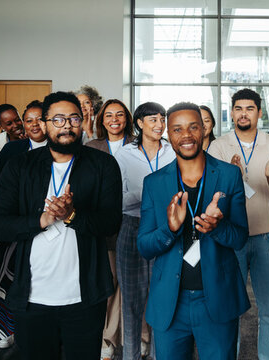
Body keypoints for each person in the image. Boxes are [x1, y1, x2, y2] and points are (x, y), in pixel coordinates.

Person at [0, 91, 122, 359]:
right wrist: (42, 220)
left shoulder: (103, 164)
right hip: (31, 297)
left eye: (74, 118)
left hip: (85, 296)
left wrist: (72, 216)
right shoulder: (20, 165)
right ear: (45, 124)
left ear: (82, 121)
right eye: (58, 120)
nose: (67, 126)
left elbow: (110, 224)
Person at [137, 102, 249, 359]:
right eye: (177, 129)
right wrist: (170, 229)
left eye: (193, 127)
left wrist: (218, 228)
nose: (185, 135)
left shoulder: (229, 175)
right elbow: (144, 246)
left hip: (217, 298)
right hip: (170, 303)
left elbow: (240, 238)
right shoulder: (154, 183)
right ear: (169, 135)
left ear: (203, 130)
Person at [207, 88, 269, 360]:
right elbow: (212, 195)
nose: (243, 113)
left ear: (259, 112)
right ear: (232, 112)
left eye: (249, 108)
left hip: (267, 237)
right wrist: (231, 175)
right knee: (231, 308)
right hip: (232, 238)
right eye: (238, 108)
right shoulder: (218, 146)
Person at [114, 101, 177, 359]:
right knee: (132, 301)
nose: (159, 125)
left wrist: (147, 195)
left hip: (167, 227)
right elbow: (118, 198)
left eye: (162, 119)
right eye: (153, 120)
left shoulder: (172, 152)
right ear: (139, 123)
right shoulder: (124, 154)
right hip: (132, 226)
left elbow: (180, 191)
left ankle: (157, 355)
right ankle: (130, 355)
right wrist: (150, 192)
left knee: (162, 298)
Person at [0, 99, 45, 349]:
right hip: (15, 226)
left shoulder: (62, 148)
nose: (34, 124)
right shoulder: (12, 150)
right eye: (29, 119)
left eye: (40, 119)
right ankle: (7, 330)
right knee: (11, 280)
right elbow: (2, 191)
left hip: (48, 226)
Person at [84, 98, 135, 360]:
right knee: (108, 284)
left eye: (119, 115)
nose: (114, 119)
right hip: (103, 226)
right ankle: (106, 338)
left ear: (127, 118)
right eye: (108, 115)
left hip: (132, 221)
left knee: (131, 286)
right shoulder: (91, 147)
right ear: (101, 120)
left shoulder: (137, 146)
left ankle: (124, 337)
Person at [0, 100, 47, 178]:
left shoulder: (59, 147)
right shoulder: (10, 148)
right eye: (29, 121)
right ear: (24, 124)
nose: (34, 124)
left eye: (40, 119)